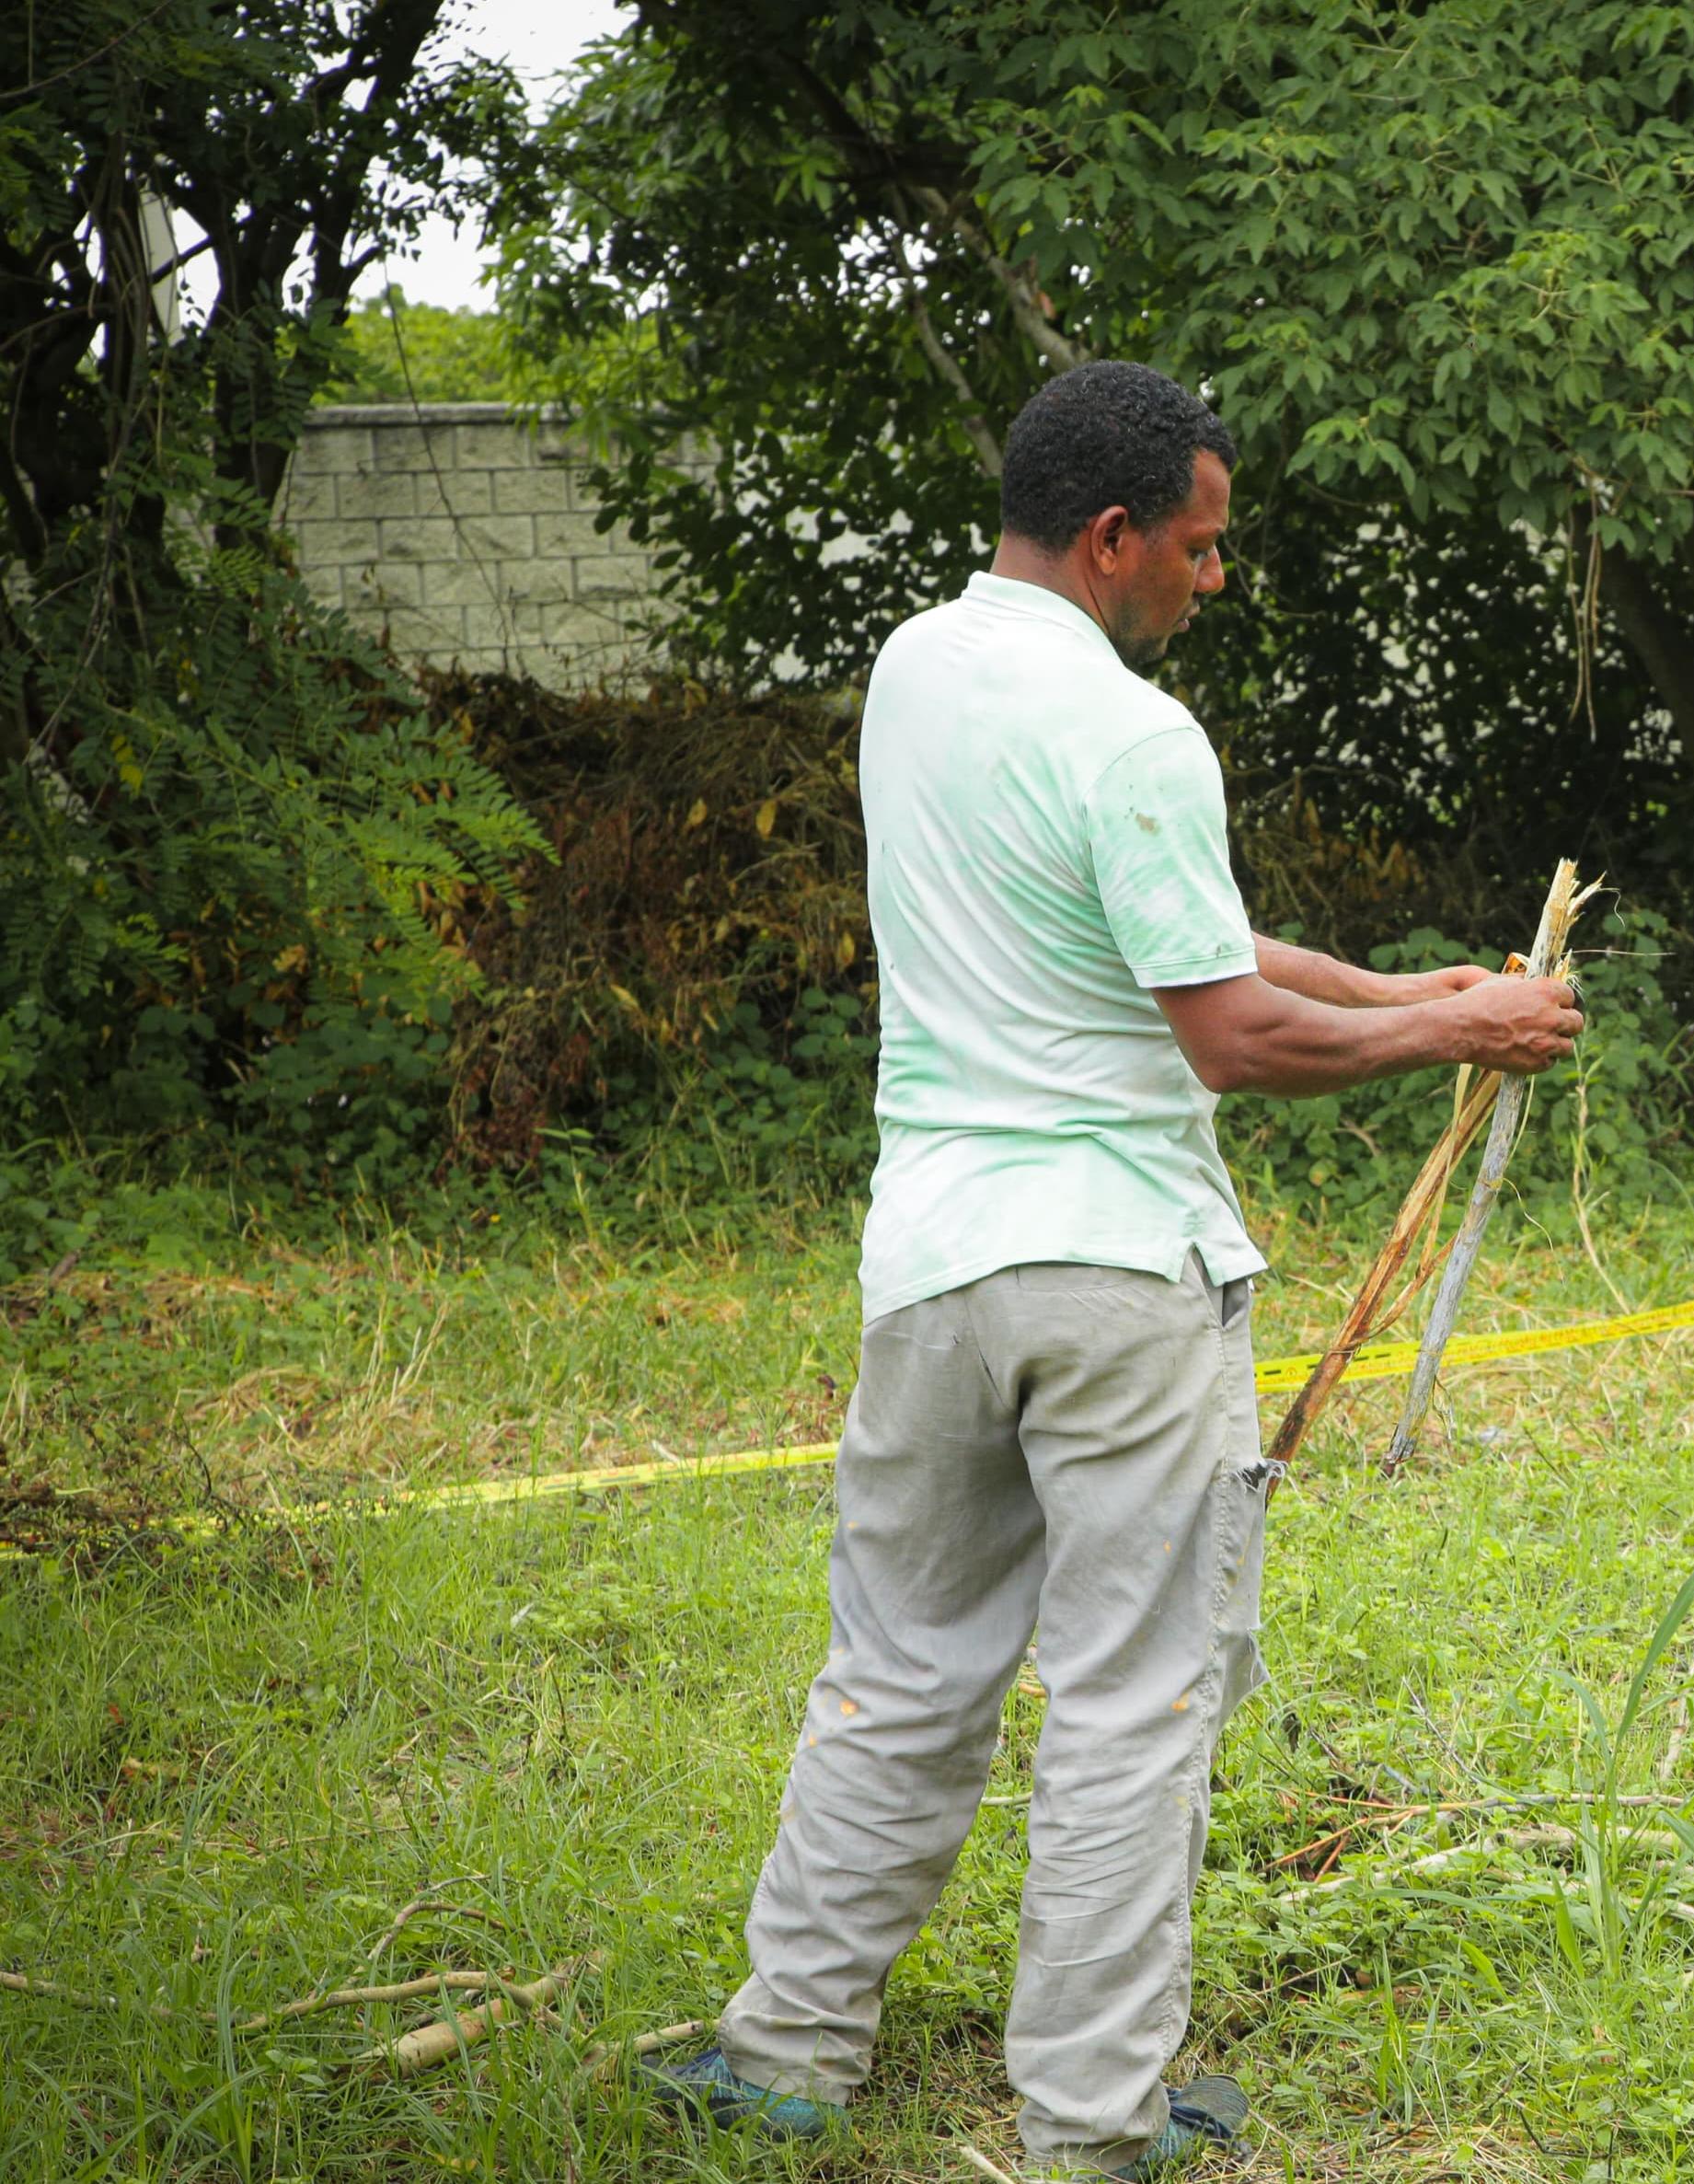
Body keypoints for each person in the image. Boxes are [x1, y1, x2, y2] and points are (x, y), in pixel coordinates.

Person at [640, 361, 1582, 2180]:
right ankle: (1091, 2123)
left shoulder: (919, 670)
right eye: (1202, 549)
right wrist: (1448, 1042)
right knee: (1132, 1701)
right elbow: (1224, 1030)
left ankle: (784, 2051)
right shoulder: (1138, 737)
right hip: (1116, 1285)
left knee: (898, 1667)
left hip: (931, 1266)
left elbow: (1182, 940)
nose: (1211, 582)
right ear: (1112, 537)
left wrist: (1415, 989)